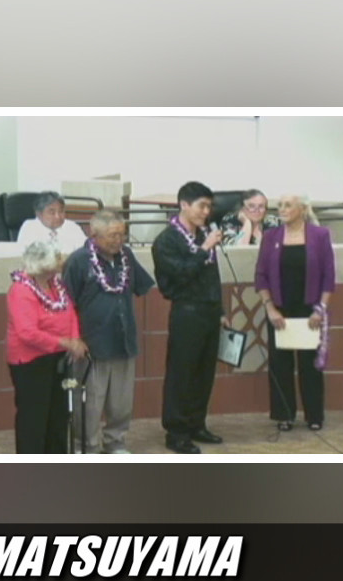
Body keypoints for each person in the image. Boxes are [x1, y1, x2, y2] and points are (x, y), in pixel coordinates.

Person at [62, 210, 156, 454]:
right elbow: (66, 304)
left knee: (121, 402)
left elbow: (142, 286)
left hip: (123, 340)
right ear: (94, 235)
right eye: (112, 235)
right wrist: (74, 339)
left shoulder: (126, 256)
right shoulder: (78, 261)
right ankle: (87, 446)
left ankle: (116, 442)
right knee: (91, 403)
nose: (118, 240)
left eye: (122, 234)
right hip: (92, 345)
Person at [151, 181, 229, 454]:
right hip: (186, 312)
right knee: (182, 373)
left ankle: (197, 423)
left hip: (208, 311)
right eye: (201, 206)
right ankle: (176, 431)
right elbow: (179, 274)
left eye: (209, 206)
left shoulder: (203, 234)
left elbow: (212, 276)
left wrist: (220, 310)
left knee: (204, 373)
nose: (206, 212)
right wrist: (204, 249)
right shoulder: (167, 240)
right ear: (184, 204)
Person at [256, 194, 336, 431]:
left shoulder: (320, 236)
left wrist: (320, 309)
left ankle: (314, 416)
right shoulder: (270, 237)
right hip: (279, 309)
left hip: (309, 309)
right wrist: (270, 308)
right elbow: (260, 275)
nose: (282, 209)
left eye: (287, 205)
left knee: (309, 366)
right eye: (279, 205)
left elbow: (328, 277)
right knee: (280, 365)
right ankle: (284, 415)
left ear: (302, 209)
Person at [6, 241, 88, 454]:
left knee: (58, 414)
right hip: (32, 361)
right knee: (35, 416)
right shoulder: (21, 290)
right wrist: (63, 342)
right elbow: (27, 332)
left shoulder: (56, 285)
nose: (62, 260)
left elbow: (70, 314)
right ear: (43, 263)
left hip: (58, 359)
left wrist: (75, 339)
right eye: (58, 257)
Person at [15, 191, 90, 257]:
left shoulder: (72, 227)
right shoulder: (30, 227)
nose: (57, 217)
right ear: (39, 214)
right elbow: (24, 256)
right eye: (52, 212)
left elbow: (85, 253)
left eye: (61, 211)